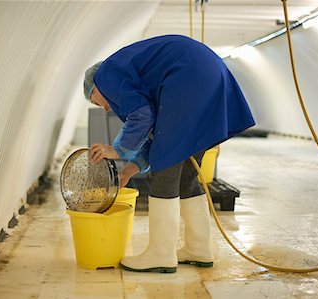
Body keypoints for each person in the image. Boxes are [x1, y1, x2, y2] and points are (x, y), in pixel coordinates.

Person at [84, 35, 255, 273]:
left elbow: (142, 116)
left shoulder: (105, 75)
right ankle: (199, 248)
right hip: (208, 76)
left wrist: (117, 150)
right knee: (186, 175)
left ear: (94, 88)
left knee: (166, 170)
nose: (104, 107)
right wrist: (129, 170)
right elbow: (155, 132)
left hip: (189, 81)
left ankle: (160, 253)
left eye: (95, 101)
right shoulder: (130, 74)